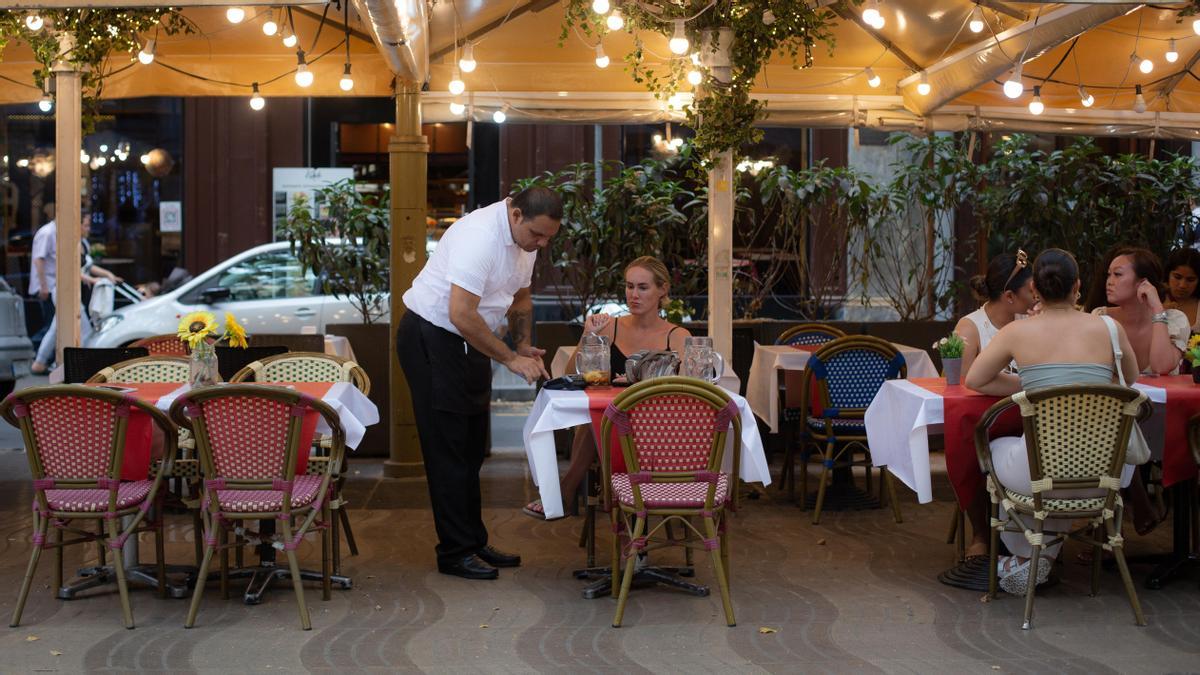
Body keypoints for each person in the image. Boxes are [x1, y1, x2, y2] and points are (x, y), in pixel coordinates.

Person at [397, 186, 562, 580]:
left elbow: (521, 297)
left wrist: (522, 343)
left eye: (548, 238)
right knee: (449, 447)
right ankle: (454, 552)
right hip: (433, 336)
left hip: (469, 338)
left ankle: (472, 539)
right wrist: (509, 359)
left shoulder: (527, 239)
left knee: (471, 447)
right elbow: (460, 314)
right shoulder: (480, 238)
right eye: (537, 234)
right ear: (516, 214)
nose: (540, 243)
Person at [965, 248, 1141, 595]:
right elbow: (1129, 378)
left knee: (1004, 449)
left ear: (1036, 291)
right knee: (1052, 457)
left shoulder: (1019, 333)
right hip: (1105, 476)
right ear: (1077, 286)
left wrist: (1033, 385)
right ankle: (1039, 556)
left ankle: (1030, 556)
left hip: (1041, 476)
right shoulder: (1109, 327)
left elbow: (975, 379)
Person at [522, 256, 692, 520]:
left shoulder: (677, 336)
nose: (633, 295)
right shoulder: (609, 327)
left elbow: (688, 388)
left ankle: (566, 494)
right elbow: (570, 375)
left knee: (599, 420)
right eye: (629, 286)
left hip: (658, 429)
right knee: (599, 418)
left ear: (663, 289)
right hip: (610, 423)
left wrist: (643, 382)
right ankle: (597, 506)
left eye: (643, 287)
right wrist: (588, 336)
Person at [1090, 246, 1184, 535]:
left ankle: (1106, 520)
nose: (1109, 281)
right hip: (1113, 419)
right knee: (1111, 415)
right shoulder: (1101, 317)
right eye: (1109, 274)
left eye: (1118, 274)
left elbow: (1161, 365)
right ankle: (1137, 503)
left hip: (1165, 420)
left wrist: (1157, 311)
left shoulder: (1174, 318)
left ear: (1144, 283)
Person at [952, 251, 1035, 559]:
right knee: (967, 444)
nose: (1036, 294)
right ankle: (980, 532)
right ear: (1010, 296)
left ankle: (1036, 529)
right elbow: (963, 381)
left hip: (1027, 414)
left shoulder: (1033, 322)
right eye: (1030, 289)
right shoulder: (970, 326)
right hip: (987, 416)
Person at [31, 217, 122, 374]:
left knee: (56, 327)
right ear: (77, 226)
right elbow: (69, 270)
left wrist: (108, 274)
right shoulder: (64, 241)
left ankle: (40, 362)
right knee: (84, 328)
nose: (88, 229)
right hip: (63, 290)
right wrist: (92, 279)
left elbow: (88, 266)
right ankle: (87, 365)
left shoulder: (82, 243)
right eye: (85, 225)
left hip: (71, 291)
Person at [28, 219, 57, 348]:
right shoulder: (47, 232)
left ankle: (41, 358)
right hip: (47, 287)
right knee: (49, 326)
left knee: (51, 325)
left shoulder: (55, 232)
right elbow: (38, 260)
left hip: (52, 286)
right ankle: (35, 354)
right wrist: (44, 286)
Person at [1163, 247, 1200, 331]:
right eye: (1177, 277)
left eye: (1190, 280)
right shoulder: (1153, 299)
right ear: (1168, 274)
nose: (1182, 285)